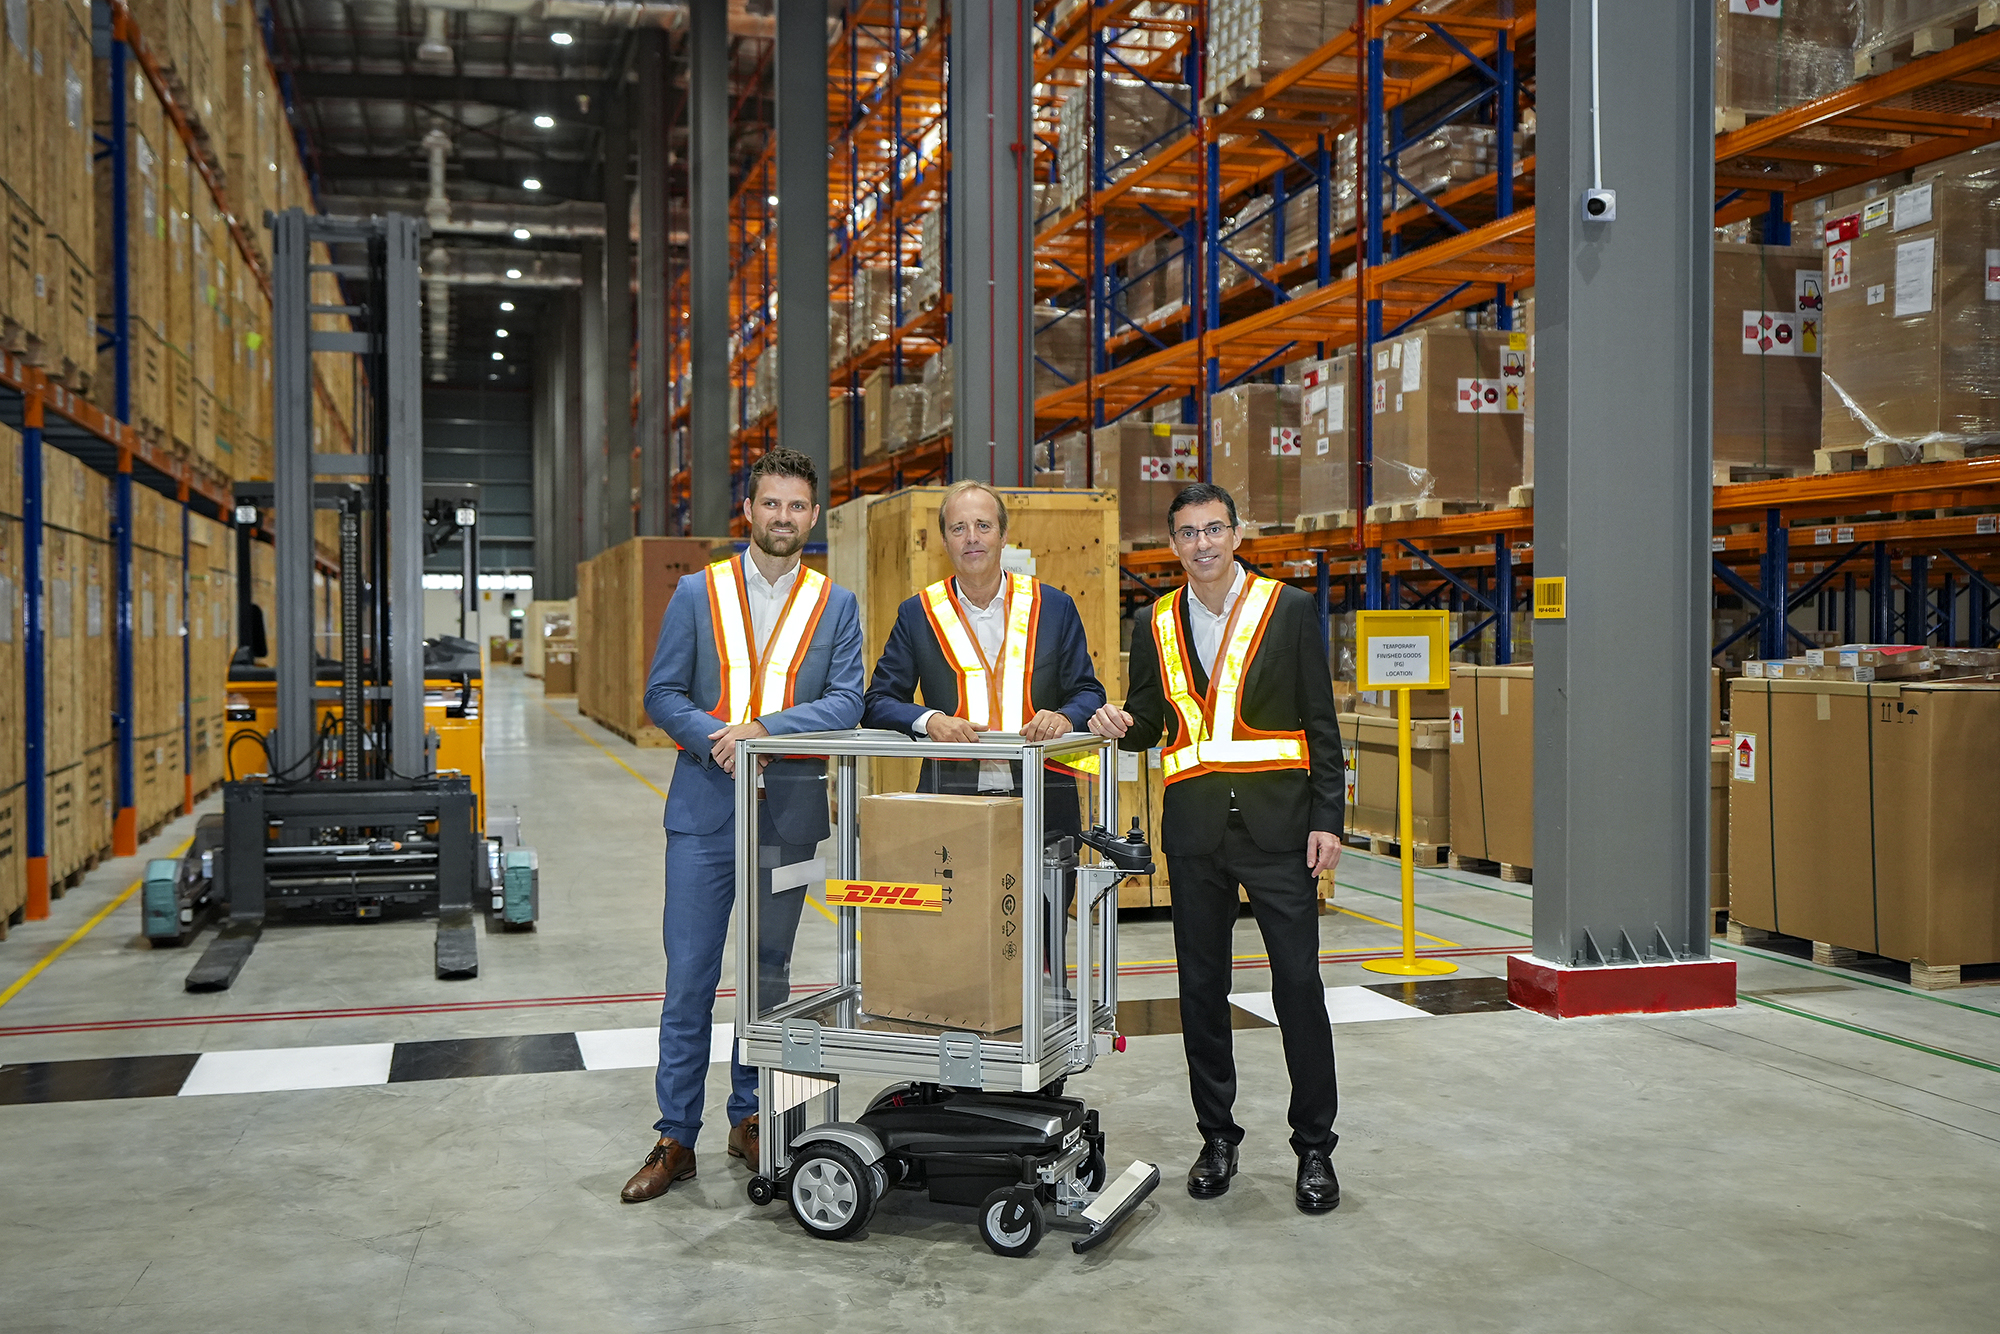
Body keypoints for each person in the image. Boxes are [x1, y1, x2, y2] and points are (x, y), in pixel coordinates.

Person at [1087, 481, 1345, 1214]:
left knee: (1299, 989)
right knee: (1201, 992)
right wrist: (1115, 720)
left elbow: (1321, 724)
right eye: (1188, 533)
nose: (1202, 544)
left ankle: (1315, 1148)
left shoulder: (1287, 609)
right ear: (1173, 545)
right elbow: (1150, 720)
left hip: (1279, 830)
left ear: (1238, 533)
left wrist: (1329, 816)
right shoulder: (1155, 621)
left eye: (1214, 529)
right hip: (1195, 833)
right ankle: (1217, 1137)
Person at [622, 447, 864, 1204]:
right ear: (749, 511)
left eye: (797, 506)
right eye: (771, 505)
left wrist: (763, 728)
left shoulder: (837, 604)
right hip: (703, 811)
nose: (783, 518)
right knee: (689, 977)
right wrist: (716, 736)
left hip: (787, 816)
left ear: (813, 516)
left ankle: (751, 1115)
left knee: (767, 977)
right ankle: (674, 1136)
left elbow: (848, 700)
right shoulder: (699, 593)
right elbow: (662, 692)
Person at [862, 479, 1106, 853]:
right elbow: (877, 701)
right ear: (945, 542)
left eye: (983, 526)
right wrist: (930, 721)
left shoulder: (1054, 608)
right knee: (956, 910)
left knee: (1044, 911)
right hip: (950, 800)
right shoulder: (919, 614)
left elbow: (1089, 693)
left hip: (1045, 800)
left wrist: (1064, 718)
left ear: (1003, 535)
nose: (971, 537)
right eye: (958, 528)